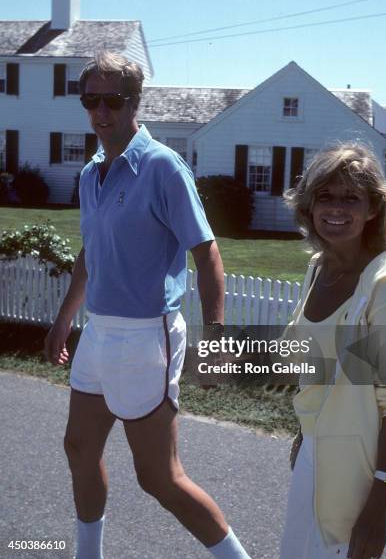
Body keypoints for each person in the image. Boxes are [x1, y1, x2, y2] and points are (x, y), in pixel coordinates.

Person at [44, 51, 251, 559]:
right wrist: (65, 320)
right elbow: (92, 253)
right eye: (90, 100)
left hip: (145, 335)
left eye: (111, 101)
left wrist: (217, 337)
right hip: (98, 333)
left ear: (134, 102)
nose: (100, 112)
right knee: (79, 448)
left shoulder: (161, 166)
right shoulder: (92, 172)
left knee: (159, 478)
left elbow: (207, 253)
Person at [279, 143, 386, 559]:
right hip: (315, 451)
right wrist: (307, 429)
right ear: (308, 206)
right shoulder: (317, 268)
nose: (336, 208)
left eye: (351, 198)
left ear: (373, 209)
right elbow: (321, 367)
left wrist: (378, 502)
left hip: (358, 471)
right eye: (325, 196)